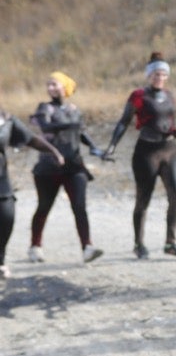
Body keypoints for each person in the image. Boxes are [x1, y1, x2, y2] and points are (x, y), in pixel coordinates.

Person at [105, 52, 176, 259]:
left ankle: (170, 243)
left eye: (163, 74)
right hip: (146, 152)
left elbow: (168, 120)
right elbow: (124, 121)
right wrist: (112, 146)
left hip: (169, 150)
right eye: (156, 73)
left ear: (166, 76)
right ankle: (138, 243)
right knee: (143, 199)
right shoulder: (138, 96)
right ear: (149, 75)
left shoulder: (169, 95)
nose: (159, 77)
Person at [28, 72, 108, 265]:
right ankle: (35, 246)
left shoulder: (74, 110)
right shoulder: (44, 108)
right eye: (48, 85)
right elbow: (46, 127)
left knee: (80, 207)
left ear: (65, 87)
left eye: (54, 84)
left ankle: (87, 247)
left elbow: (81, 133)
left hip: (74, 166)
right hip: (49, 166)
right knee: (44, 207)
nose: (50, 88)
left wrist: (96, 149)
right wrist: (73, 123)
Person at [1, 102, 65, 279]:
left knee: (6, 218)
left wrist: (54, 151)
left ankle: (0, 260)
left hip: (1, 181)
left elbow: (31, 139)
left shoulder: (6, 119)